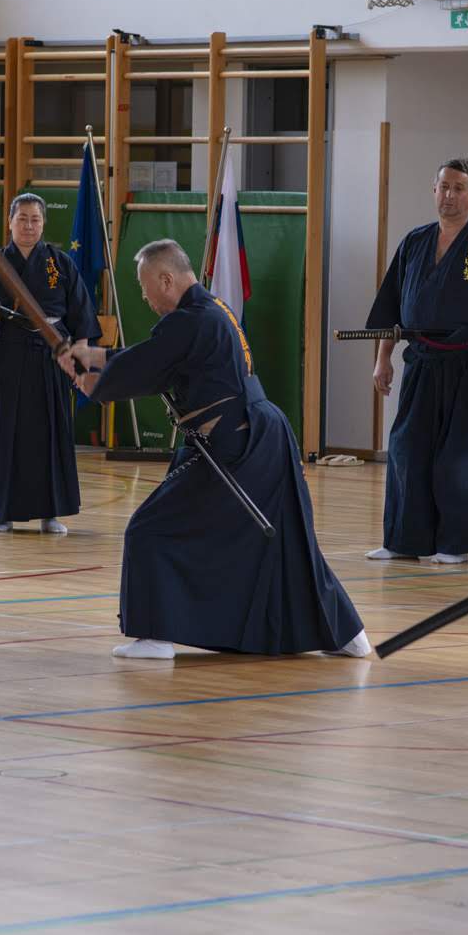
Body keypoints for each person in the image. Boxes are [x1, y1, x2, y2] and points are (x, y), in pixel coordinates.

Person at [65, 239, 369, 660]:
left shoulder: (190, 320)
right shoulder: (213, 310)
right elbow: (155, 361)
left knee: (148, 528)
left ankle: (155, 635)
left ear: (166, 279)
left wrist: (93, 370)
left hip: (232, 442)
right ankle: (346, 634)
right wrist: (93, 360)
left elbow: (145, 367)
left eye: (144, 287)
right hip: (264, 436)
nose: (145, 298)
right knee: (283, 538)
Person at [365, 158, 468, 564]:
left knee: (458, 457)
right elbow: (390, 309)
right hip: (421, 362)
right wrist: (384, 360)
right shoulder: (414, 242)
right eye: (443, 187)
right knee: (406, 448)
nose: (449, 195)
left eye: (458, 188)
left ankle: (454, 543)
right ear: (434, 190)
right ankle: (403, 539)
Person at [0, 192, 99, 534]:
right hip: (10, 352)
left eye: (35, 219)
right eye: (22, 219)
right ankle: (3, 512)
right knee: (6, 432)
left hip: (53, 354)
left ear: (43, 223)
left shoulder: (60, 264)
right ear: (10, 222)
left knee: (52, 430)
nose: (29, 226)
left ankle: (52, 512)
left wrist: (79, 360)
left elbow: (81, 316)